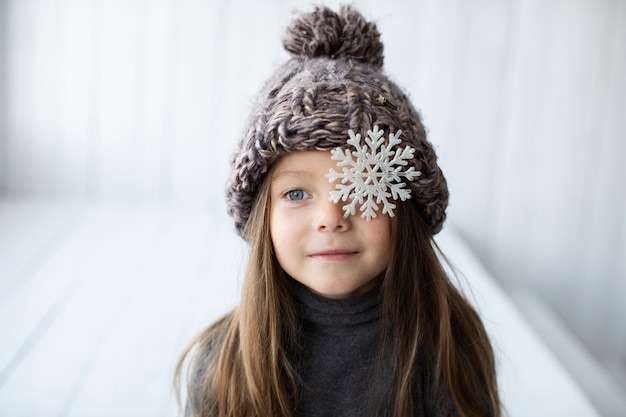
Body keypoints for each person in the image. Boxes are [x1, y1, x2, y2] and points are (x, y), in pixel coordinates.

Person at [176, 5, 501, 417]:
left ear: (406, 207)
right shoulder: (223, 362)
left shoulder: (448, 349)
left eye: (363, 185)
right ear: (263, 218)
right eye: (296, 194)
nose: (331, 217)